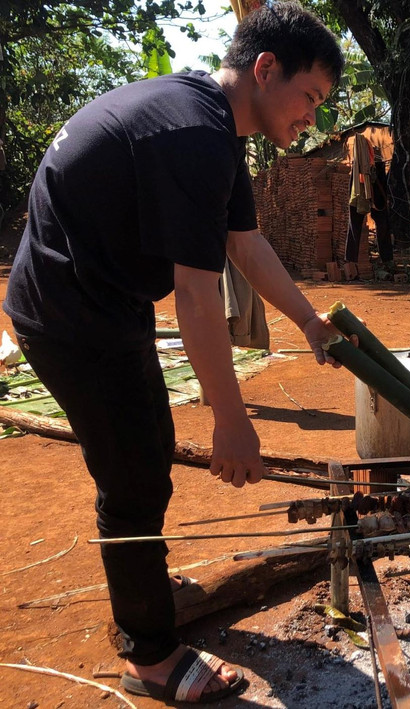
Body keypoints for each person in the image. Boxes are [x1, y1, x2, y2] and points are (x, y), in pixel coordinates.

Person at [3, 3, 345, 703]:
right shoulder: (194, 135)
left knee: (146, 449)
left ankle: (144, 579)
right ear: (266, 68)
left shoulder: (212, 125)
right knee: (133, 472)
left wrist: (311, 321)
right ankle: (151, 656)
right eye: (309, 97)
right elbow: (195, 296)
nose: (312, 117)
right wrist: (231, 418)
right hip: (70, 313)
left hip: (103, 298)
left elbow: (244, 244)